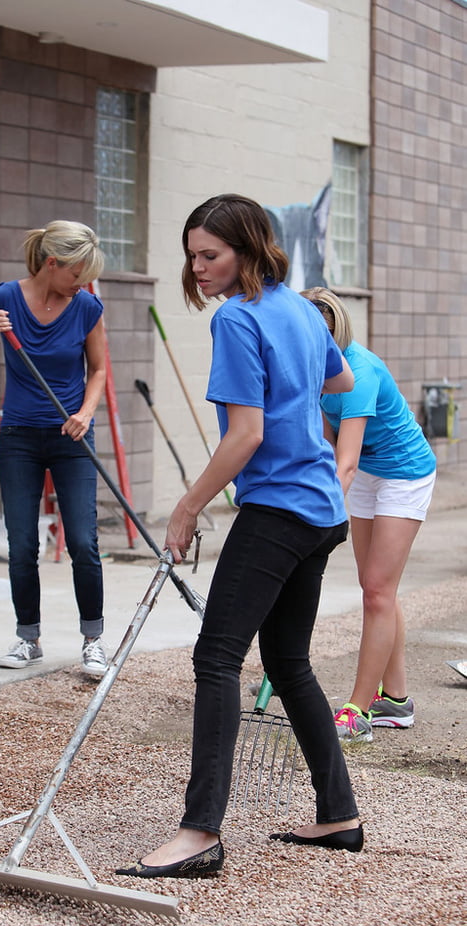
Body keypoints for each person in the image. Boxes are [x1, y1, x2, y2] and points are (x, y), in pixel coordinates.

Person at [116, 194, 362, 882]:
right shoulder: (301, 310)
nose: (198, 267)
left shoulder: (237, 317)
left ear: (248, 250)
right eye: (192, 255)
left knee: (217, 658)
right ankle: (338, 814)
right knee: (287, 662)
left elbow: (245, 435)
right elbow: (340, 378)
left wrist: (186, 506)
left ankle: (199, 832)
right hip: (321, 512)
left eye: (211, 255)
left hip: (278, 510)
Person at [0, 220, 109, 679]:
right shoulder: (4, 298)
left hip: (72, 436)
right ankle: (29, 638)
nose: (82, 283)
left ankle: (93, 640)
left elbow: (99, 370)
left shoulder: (86, 307)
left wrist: (85, 413)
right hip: (20, 437)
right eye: (77, 273)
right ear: (52, 263)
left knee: (83, 541)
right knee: (22, 543)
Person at [301, 287, 436, 742]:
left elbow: (346, 463)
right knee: (377, 587)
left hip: (404, 473)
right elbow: (325, 444)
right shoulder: (313, 369)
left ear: (337, 330)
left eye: (323, 333)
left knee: (378, 589)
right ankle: (395, 700)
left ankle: (358, 710)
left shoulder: (358, 371)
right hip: (367, 474)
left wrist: (314, 516)